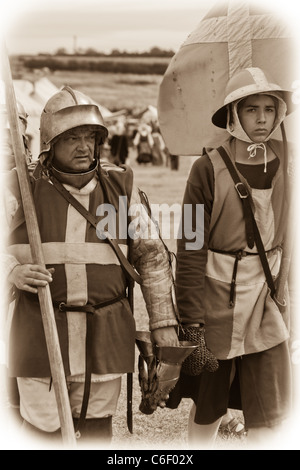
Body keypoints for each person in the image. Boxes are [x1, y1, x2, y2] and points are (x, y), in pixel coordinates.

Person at [2, 86, 179, 448]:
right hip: (40, 329)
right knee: (41, 428)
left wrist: (163, 327)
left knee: (97, 428)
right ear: (50, 143)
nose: (84, 146)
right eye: (72, 138)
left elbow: (153, 257)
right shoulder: (20, 188)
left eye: (90, 137)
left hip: (105, 332)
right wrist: (12, 272)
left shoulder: (118, 189)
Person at [166, 67, 295, 449]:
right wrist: (192, 322)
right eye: (251, 109)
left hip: (267, 302)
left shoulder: (290, 163)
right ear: (233, 114)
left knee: (270, 409)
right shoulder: (204, 169)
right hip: (214, 304)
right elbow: (189, 245)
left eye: (269, 109)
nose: (261, 118)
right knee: (209, 405)